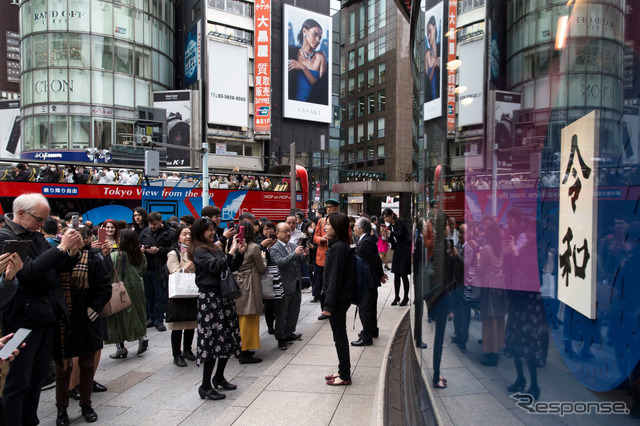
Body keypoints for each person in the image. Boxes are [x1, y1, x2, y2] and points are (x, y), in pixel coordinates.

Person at [0, 193, 84, 426]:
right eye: (39, 219)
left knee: (36, 379)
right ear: (20, 213)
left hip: (46, 317)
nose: (42, 224)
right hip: (20, 321)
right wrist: (60, 249)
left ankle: (29, 420)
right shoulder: (5, 237)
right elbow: (28, 273)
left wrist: (71, 252)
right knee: (17, 381)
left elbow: (53, 270)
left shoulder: (33, 235)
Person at [54, 227, 112, 425]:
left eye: (80, 237)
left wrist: (93, 310)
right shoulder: (57, 259)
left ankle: (86, 404)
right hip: (62, 319)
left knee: (87, 365)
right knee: (62, 368)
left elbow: (104, 288)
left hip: (87, 320)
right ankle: (61, 409)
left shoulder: (93, 259)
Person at [190, 218, 246, 401]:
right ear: (200, 232)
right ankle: (205, 386)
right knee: (213, 341)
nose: (212, 232)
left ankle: (219, 377)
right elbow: (215, 268)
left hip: (223, 298)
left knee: (227, 338)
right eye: (208, 230)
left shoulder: (213, 248)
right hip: (210, 299)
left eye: (213, 229)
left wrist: (238, 253)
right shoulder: (198, 250)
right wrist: (229, 251)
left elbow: (229, 267)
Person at [321, 212, 356, 386]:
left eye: (328, 224)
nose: (325, 227)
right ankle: (342, 370)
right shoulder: (340, 246)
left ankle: (345, 375)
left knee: (340, 336)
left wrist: (328, 304)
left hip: (339, 299)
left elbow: (334, 278)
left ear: (337, 228)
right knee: (339, 335)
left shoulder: (338, 248)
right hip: (341, 298)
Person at [105, 229, 149, 358]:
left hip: (120, 289)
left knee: (118, 318)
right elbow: (143, 271)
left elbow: (109, 271)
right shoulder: (140, 255)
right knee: (139, 314)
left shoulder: (115, 255)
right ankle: (141, 336)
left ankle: (121, 347)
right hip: (137, 287)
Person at [269, 222, 309, 350]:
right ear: (277, 233)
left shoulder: (293, 245)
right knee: (282, 313)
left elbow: (300, 261)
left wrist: (304, 255)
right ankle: (280, 337)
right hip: (283, 285)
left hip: (296, 283)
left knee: (294, 311)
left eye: (289, 231)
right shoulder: (274, 249)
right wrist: (295, 254)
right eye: (284, 231)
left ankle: (289, 332)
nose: (287, 233)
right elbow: (281, 263)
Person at [233, 219, 267, 364]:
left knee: (239, 317)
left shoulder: (233, 245)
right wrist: (264, 259)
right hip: (250, 285)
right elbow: (261, 268)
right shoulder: (254, 248)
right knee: (249, 316)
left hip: (236, 283)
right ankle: (244, 351)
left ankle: (239, 347)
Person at [351, 217, 386, 346]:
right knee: (369, 307)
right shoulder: (365, 240)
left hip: (368, 280)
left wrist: (380, 274)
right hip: (369, 279)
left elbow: (375, 260)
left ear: (361, 228)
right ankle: (371, 330)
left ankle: (366, 336)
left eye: (355, 226)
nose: (353, 228)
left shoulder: (365, 241)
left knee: (365, 308)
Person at [166, 225, 197, 367]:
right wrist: (189, 264)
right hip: (179, 293)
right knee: (178, 326)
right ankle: (176, 354)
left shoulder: (195, 251)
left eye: (189, 234)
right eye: (184, 234)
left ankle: (188, 350)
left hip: (192, 291)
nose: (188, 237)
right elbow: (175, 272)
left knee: (191, 323)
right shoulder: (174, 253)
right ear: (178, 236)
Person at [140, 212, 175, 331]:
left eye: (154, 224)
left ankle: (159, 319)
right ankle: (151, 317)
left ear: (160, 221)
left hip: (161, 268)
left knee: (160, 295)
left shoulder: (169, 233)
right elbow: (138, 243)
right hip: (147, 268)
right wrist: (142, 249)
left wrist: (159, 250)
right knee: (148, 295)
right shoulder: (145, 232)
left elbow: (173, 249)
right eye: (150, 224)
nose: (152, 227)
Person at [288, 19, 328, 104]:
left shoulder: (321, 57)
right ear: (304, 31)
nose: (317, 40)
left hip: (314, 107)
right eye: (315, 34)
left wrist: (303, 68)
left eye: (320, 37)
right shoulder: (292, 54)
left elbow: (321, 89)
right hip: (293, 106)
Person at [313, 198, 341, 318]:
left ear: (337, 208)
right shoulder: (321, 221)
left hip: (335, 256)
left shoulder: (341, 220)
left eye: (331, 207)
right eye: (327, 207)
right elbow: (315, 237)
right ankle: (324, 309)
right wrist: (321, 239)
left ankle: (334, 308)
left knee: (333, 283)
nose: (328, 209)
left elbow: (347, 237)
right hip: (321, 257)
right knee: (322, 285)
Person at [382, 208, 412, 306]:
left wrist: (390, 233)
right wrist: (387, 238)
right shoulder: (391, 226)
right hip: (398, 250)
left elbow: (400, 234)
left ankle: (406, 297)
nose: (385, 219)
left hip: (405, 250)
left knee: (403, 274)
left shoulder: (400, 222)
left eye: (386, 217)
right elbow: (394, 241)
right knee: (396, 274)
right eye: (384, 218)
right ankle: (396, 296)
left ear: (391, 216)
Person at [425, 15, 441, 103]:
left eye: (430, 32)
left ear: (435, 28)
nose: (428, 36)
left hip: (440, 100)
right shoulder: (427, 54)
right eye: (427, 33)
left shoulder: (440, 48)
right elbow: (427, 82)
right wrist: (434, 66)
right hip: (431, 101)